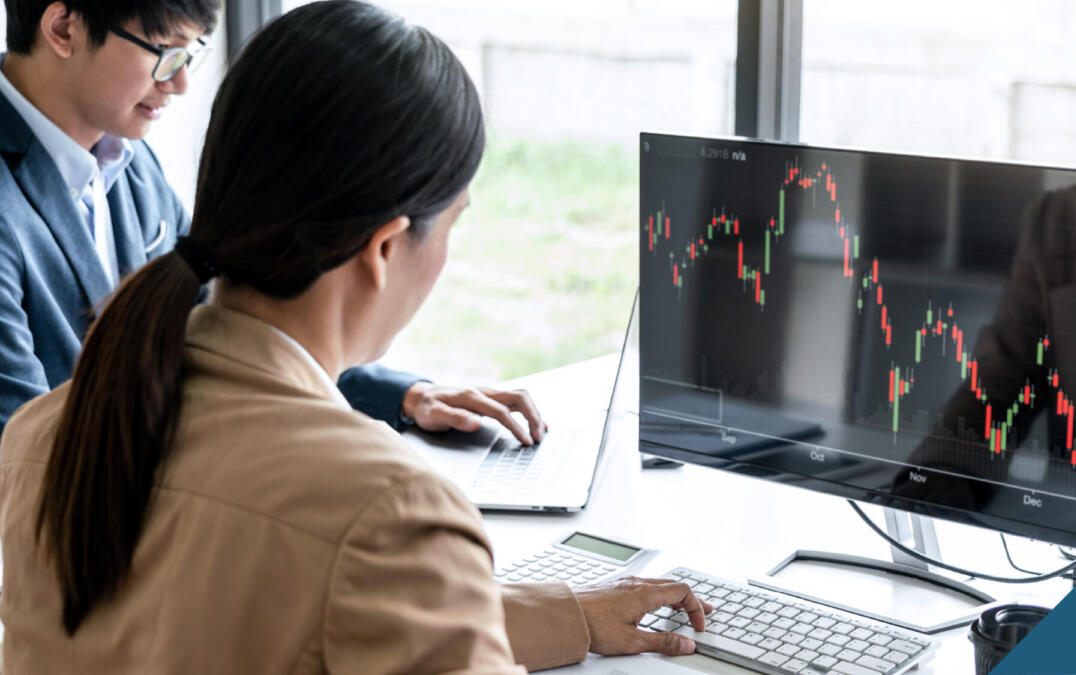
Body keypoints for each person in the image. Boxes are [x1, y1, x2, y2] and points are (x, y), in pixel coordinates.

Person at [0, 1, 710, 672]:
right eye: (454, 220)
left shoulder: (44, 439)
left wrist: (564, 617)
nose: (176, 80)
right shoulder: (392, 512)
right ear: (384, 248)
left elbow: (267, 605)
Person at [0, 0, 547, 445]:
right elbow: (19, 452)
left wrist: (403, 396)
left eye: (192, 53)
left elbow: (240, 323)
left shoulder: (125, 158)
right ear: (64, 28)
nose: (182, 84)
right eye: (165, 54)